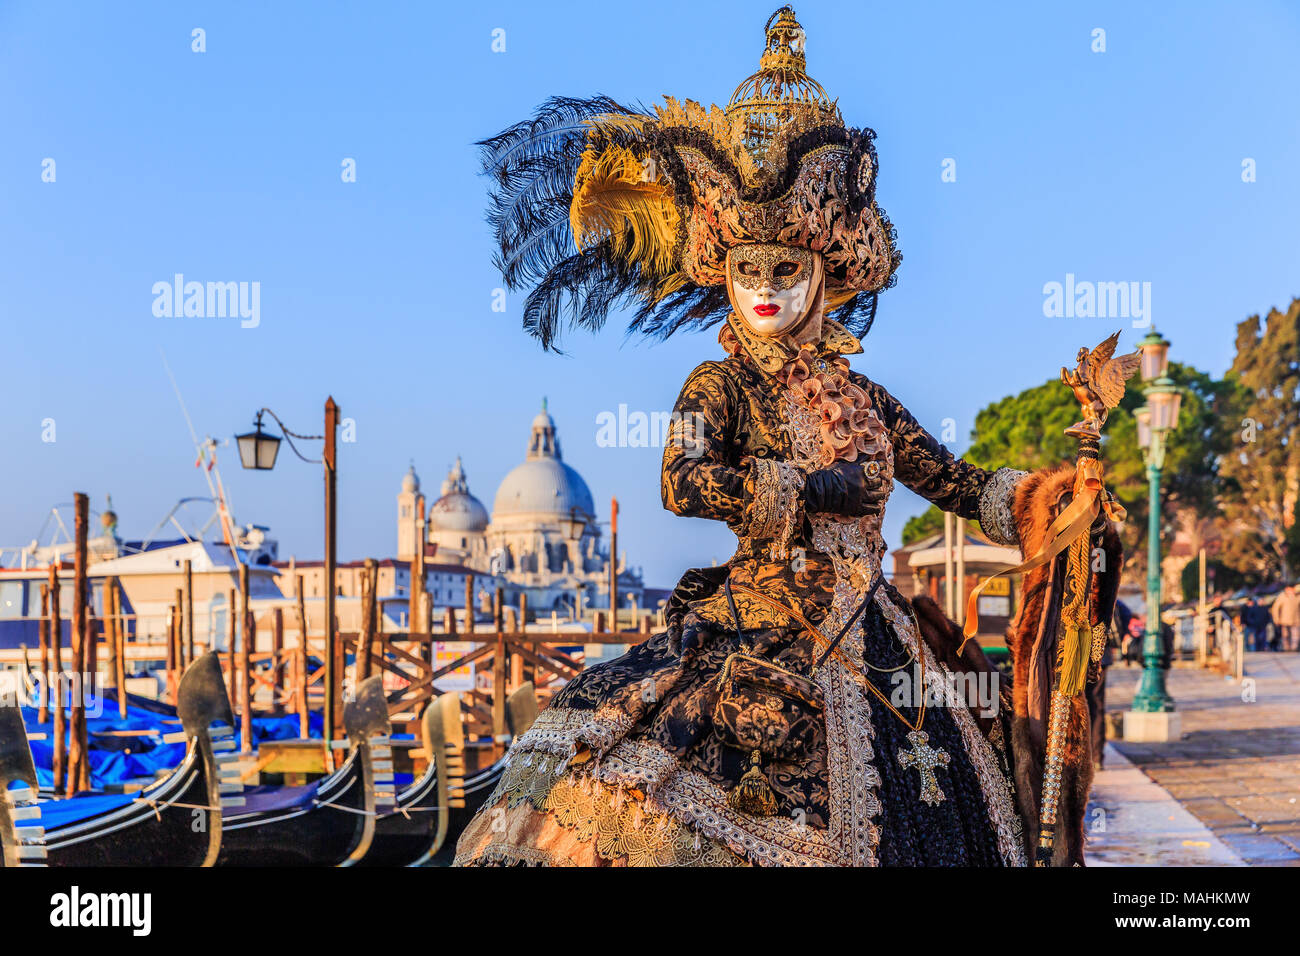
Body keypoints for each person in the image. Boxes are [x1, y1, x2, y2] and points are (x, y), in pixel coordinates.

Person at [454, 7, 1111, 867]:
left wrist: (1056, 500)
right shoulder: (716, 384)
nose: (763, 289)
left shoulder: (864, 397)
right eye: (747, 270)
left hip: (877, 641)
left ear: (826, 275)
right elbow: (682, 481)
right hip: (758, 623)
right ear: (723, 273)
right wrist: (801, 492)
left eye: (785, 269)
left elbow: (954, 482)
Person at [1272, 585, 1299, 652]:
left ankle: (1294, 648)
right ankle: (1286, 648)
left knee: (1295, 636)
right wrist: (1276, 619)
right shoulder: (1282, 596)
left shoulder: (1297, 596)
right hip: (1284, 620)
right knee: (1285, 635)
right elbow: (1275, 608)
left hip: (1296, 620)